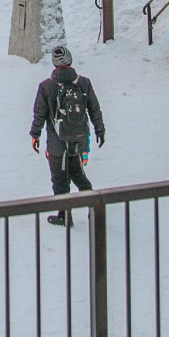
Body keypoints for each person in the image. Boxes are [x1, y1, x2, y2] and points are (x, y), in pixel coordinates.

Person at [30, 45, 107, 225]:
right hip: (78, 139)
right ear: (71, 61)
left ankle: (64, 215)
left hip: (57, 143)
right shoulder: (84, 83)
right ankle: (93, 208)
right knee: (78, 174)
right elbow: (94, 109)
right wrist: (99, 130)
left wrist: (35, 135)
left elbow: (39, 115)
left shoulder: (46, 87)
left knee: (59, 179)